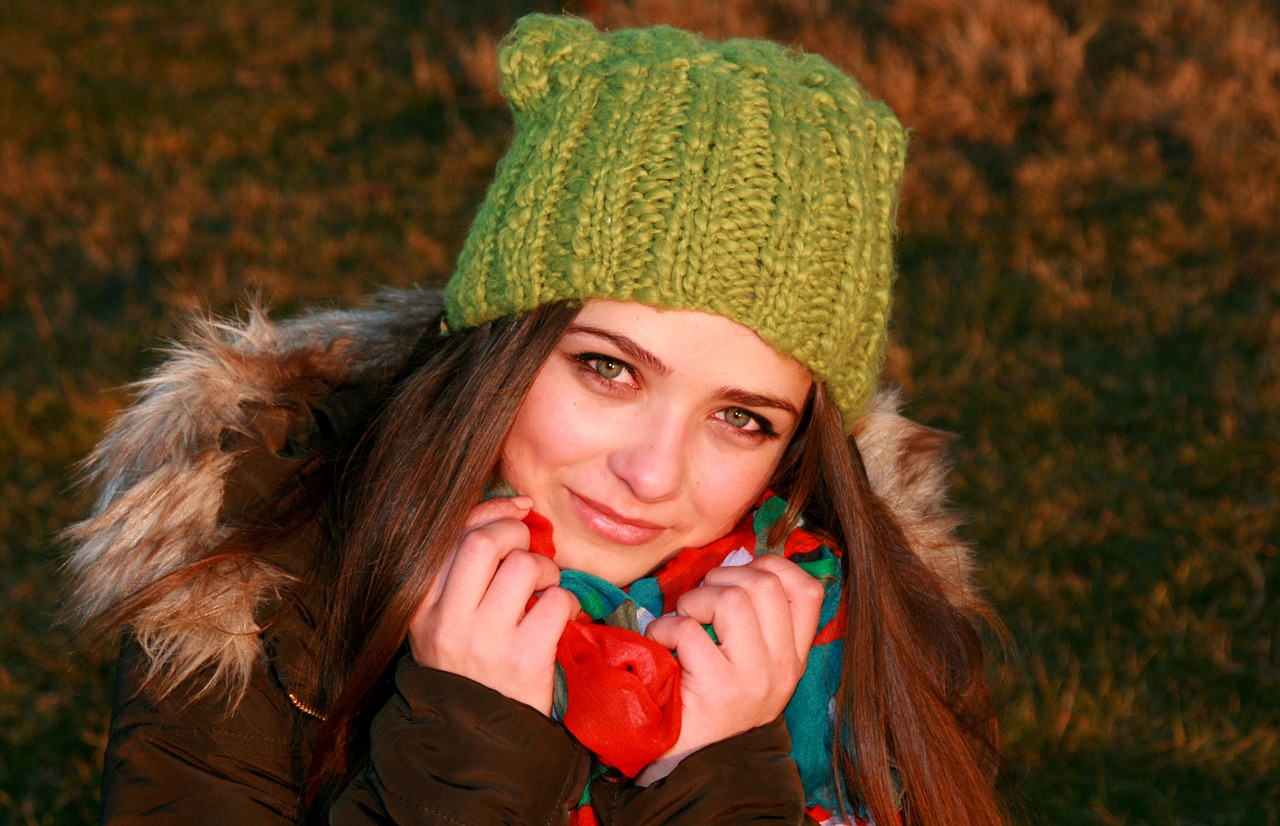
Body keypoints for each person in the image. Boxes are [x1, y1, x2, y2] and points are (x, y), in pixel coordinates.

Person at [65, 14, 1003, 826]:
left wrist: (718, 774)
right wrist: (465, 750)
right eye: (609, 369)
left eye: (743, 420)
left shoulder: (880, 634)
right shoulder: (256, 569)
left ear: (801, 439)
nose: (653, 474)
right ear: (503, 347)